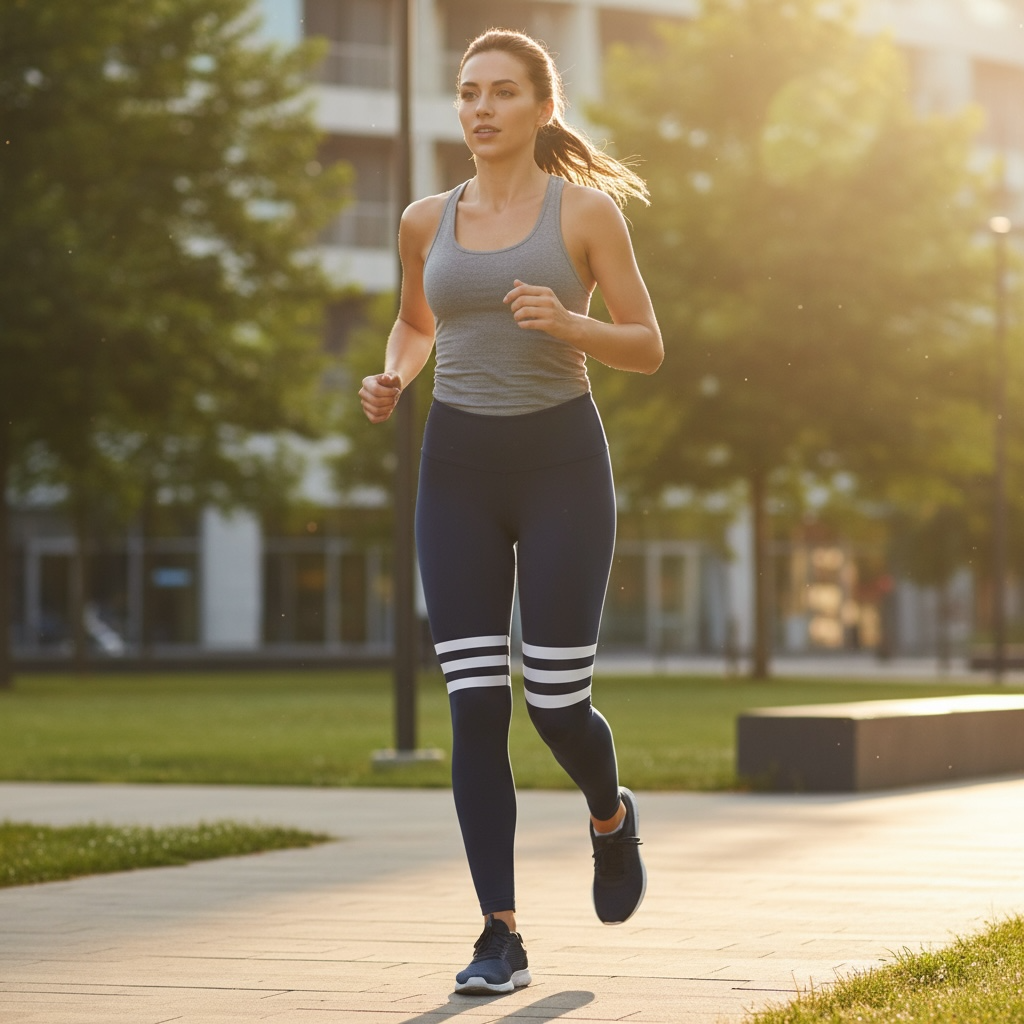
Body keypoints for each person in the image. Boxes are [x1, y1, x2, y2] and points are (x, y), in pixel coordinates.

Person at [359, 27, 663, 996]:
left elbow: (647, 343)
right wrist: (396, 375)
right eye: (467, 92)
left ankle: (609, 820)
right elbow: (417, 319)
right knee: (475, 703)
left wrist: (570, 322)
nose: (480, 108)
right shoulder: (421, 219)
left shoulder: (586, 215)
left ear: (540, 107)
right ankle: (500, 933)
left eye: (500, 92)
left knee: (556, 704)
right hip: (457, 467)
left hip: (562, 463)